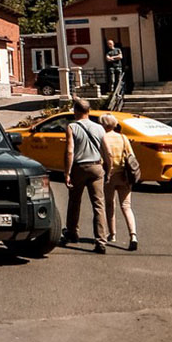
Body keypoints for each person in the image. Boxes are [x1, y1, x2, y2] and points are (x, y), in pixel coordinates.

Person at [63, 97, 111, 253]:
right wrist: (108, 170)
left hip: (79, 167)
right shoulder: (99, 128)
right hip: (97, 167)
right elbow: (107, 152)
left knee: (74, 201)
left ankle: (72, 232)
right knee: (99, 204)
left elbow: (70, 151)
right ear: (89, 111)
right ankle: (101, 240)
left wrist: (67, 172)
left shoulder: (72, 127)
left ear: (76, 111)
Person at [100, 114, 138, 251]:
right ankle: (133, 235)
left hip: (109, 176)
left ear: (103, 125)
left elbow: (102, 158)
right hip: (124, 176)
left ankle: (112, 233)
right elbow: (131, 156)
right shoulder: (123, 137)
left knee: (110, 205)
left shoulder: (102, 138)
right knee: (126, 206)